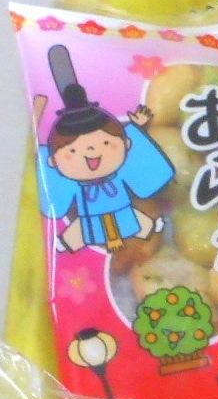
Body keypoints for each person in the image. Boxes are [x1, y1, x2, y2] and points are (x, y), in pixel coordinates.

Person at [37, 45, 174, 253]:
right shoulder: (64, 171)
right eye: (72, 151)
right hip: (90, 212)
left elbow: (140, 164)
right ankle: (65, 244)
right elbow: (51, 186)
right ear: (54, 160)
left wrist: (137, 128)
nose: (92, 151)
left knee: (130, 219)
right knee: (87, 229)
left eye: (105, 143)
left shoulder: (123, 157)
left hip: (119, 206)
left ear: (126, 144)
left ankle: (151, 227)